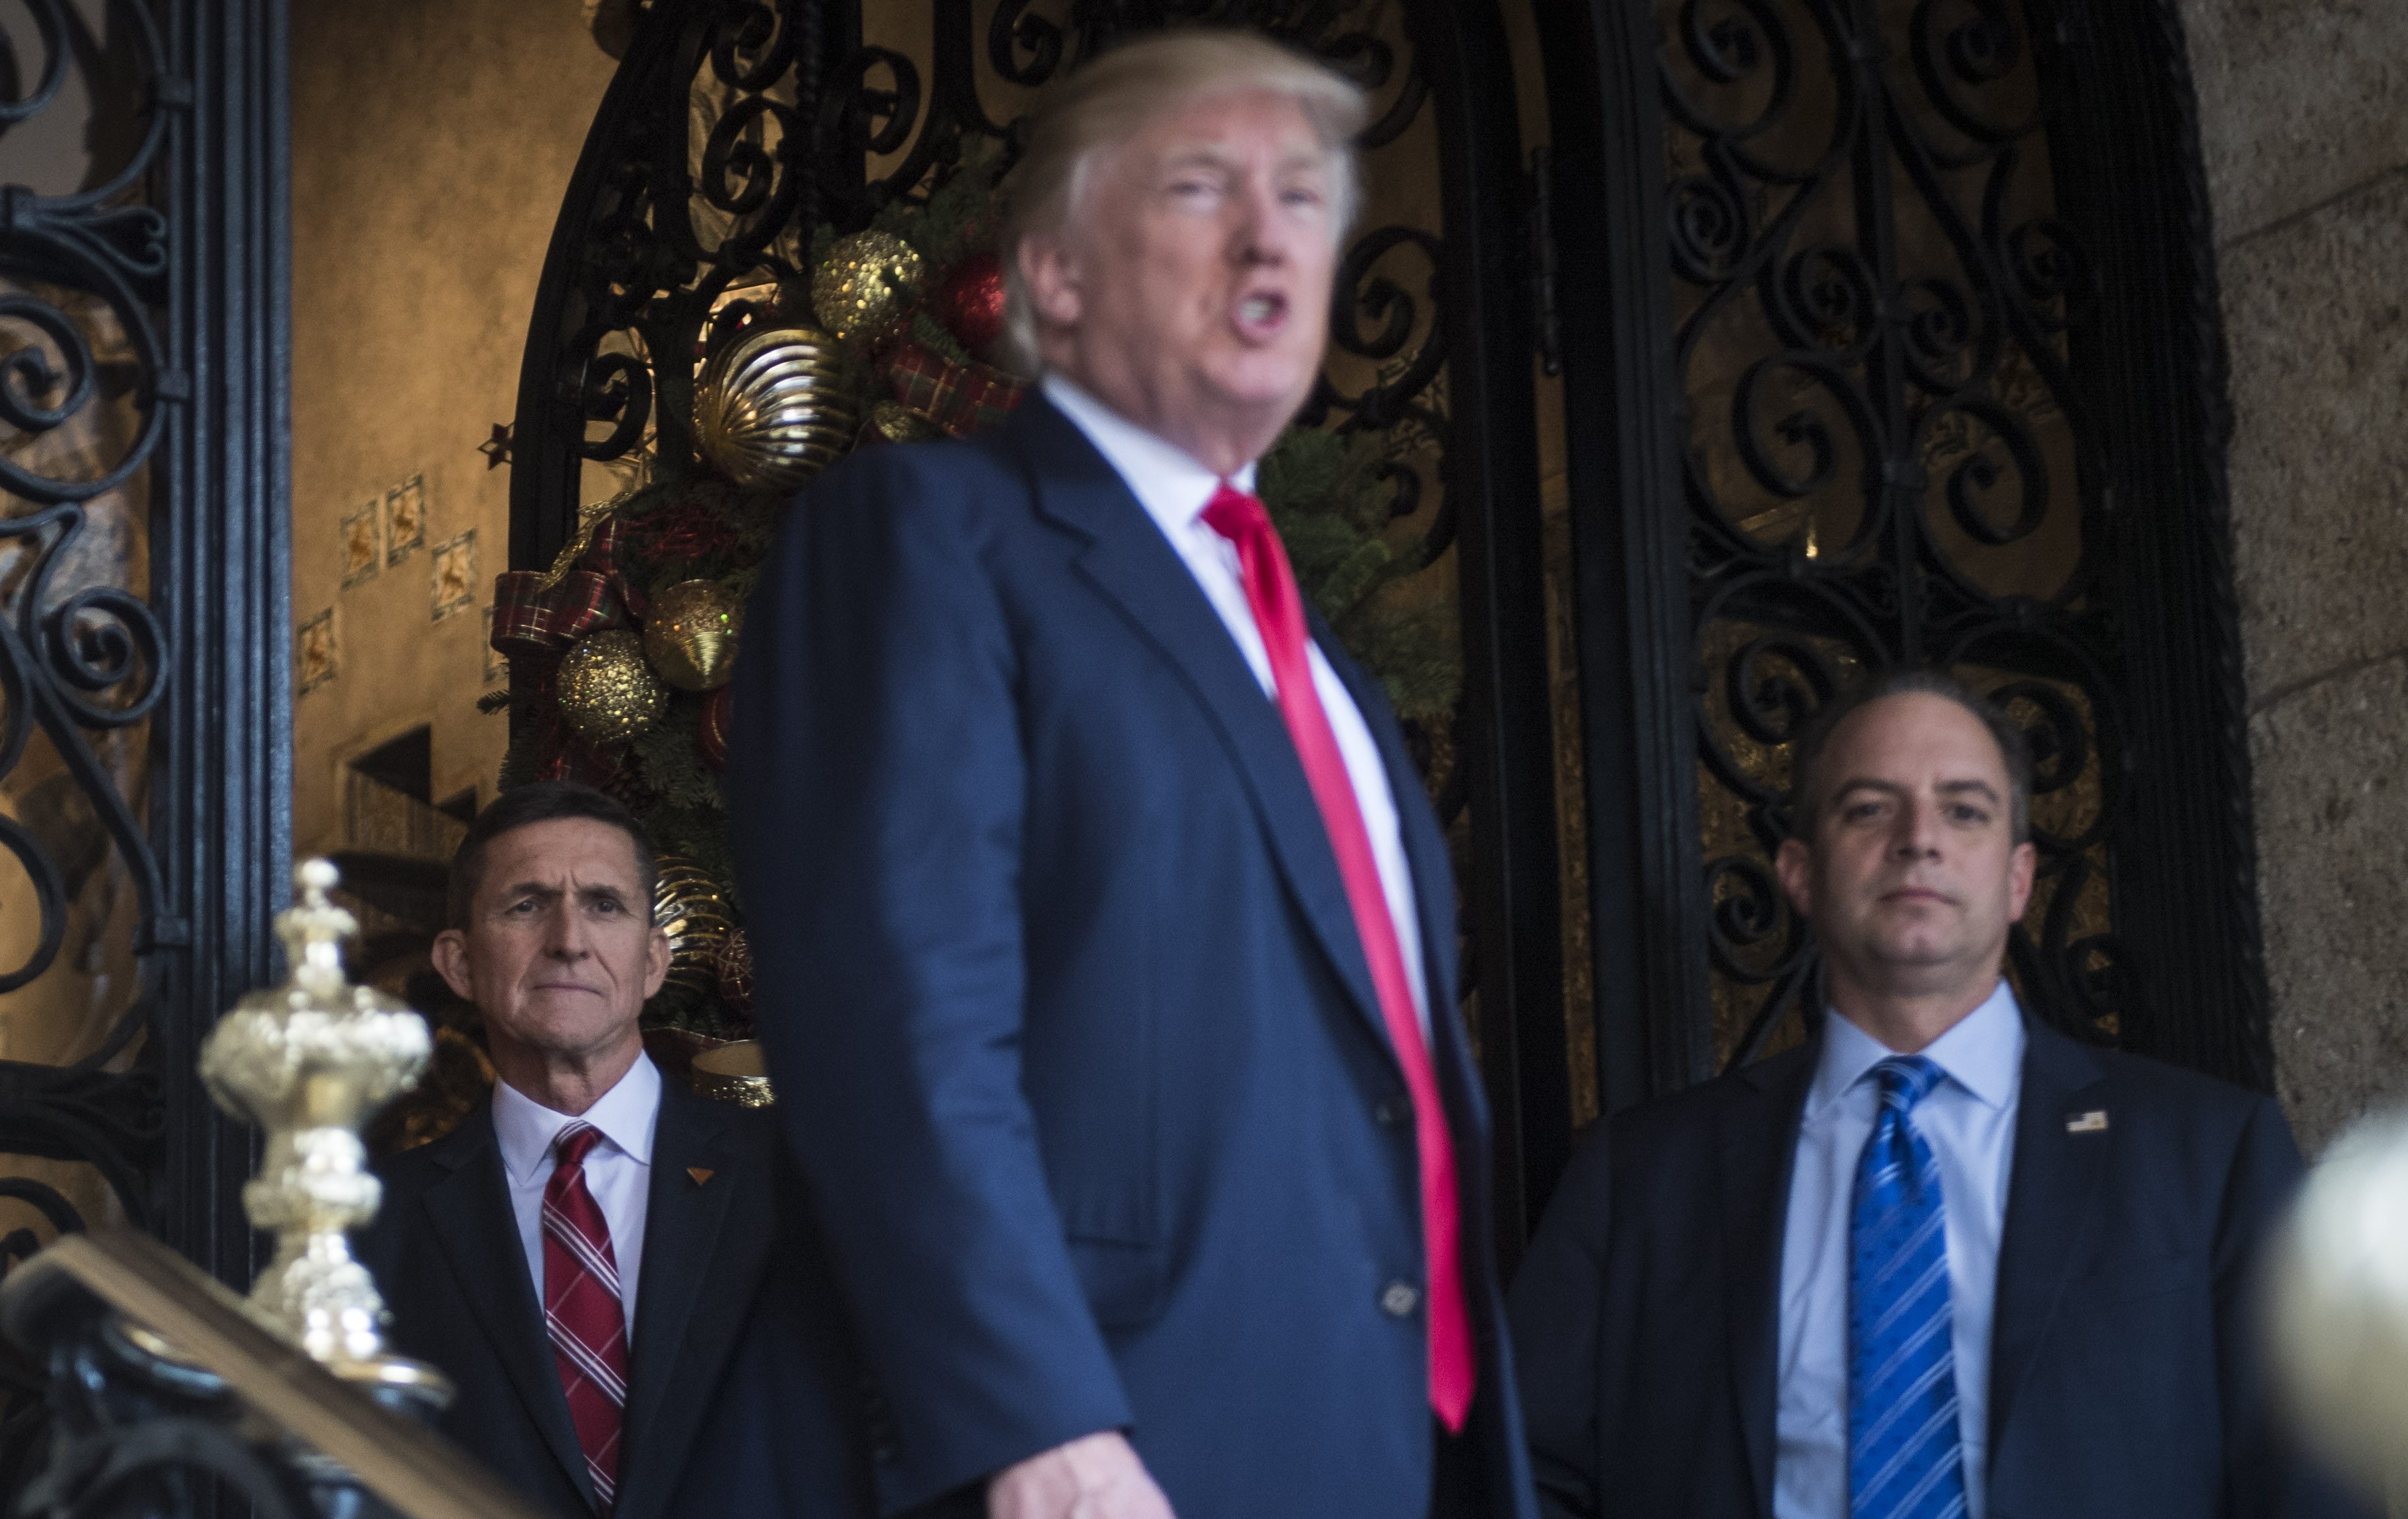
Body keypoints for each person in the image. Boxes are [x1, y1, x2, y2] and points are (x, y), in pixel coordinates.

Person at [726, 29, 1536, 1519]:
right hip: (1098, 1453)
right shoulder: (928, 532)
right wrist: (1032, 1422)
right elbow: (895, 1016)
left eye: (1304, 197)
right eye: (1201, 185)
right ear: (1055, 276)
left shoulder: (1315, 658)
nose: (1270, 235)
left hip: (1371, 1453)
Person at [1507, 669, 2369, 1519]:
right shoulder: (1638, 1176)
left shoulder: (2211, 1154)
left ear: (2019, 878)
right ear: (1799, 872)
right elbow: (1523, 1474)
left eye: (1964, 810)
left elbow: (2315, 1480)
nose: (1918, 838)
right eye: (1867, 808)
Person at [356, 782, 849, 1519]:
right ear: (458, 962)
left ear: (653, 961)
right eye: (526, 905)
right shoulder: (374, 1223)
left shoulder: (797, 1180)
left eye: (605, 904)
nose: (569, 939)